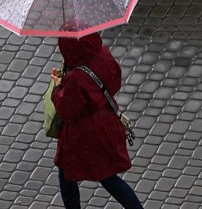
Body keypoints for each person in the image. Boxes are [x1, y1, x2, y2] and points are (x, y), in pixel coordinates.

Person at [50, 32, 143, 209]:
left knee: (66, 173)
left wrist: (58, 87)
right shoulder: (103, 55)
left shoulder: (77, 78)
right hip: (106, 123)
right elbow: (113, 82)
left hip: (84, 134)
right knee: (108, 177)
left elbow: (67, 110)